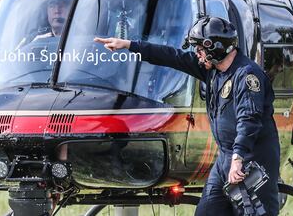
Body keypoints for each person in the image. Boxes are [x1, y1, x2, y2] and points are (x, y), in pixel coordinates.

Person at [94, 17, 280, 215]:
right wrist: (130, 45)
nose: (197, 55)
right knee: (207, 211)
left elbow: (249, 120)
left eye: (200, 50)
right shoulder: (214, 70)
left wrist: (238, 158)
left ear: (216, 49)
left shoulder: (247, 76)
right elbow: (172, 56)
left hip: (250, 158)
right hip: (226, 157)